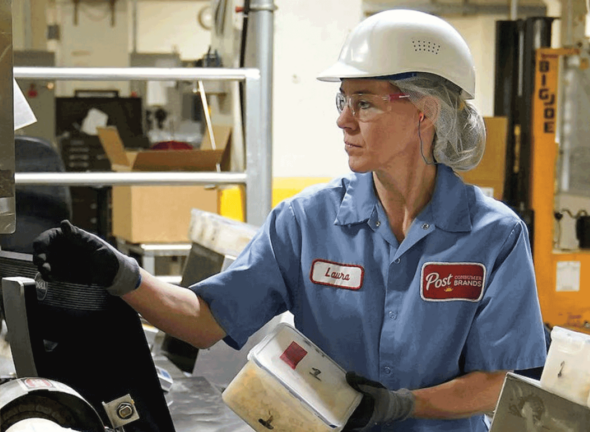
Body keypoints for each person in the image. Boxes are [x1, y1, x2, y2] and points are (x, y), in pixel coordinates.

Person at [32, 9, 547, 432]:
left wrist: (401, 405)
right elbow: (205, 321)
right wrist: (119, 273)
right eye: (342, 99)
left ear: (425, 112)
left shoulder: (493, 237)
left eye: (363, 102)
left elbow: (499, 382)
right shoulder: (306, 222)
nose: (343, 119)